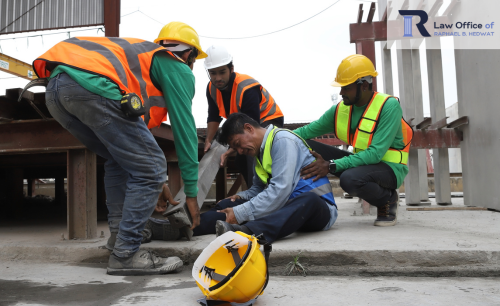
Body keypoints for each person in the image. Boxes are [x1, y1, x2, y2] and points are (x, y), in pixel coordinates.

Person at [34, 21, 207, 275]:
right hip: (91, 87)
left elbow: (134, 151)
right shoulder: (176, 66)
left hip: (57, 90)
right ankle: (126, 254)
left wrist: (157, 182)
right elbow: (185, 130)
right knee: (153, 166)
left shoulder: (142, 63)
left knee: (119, 160)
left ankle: (119, 241)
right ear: (189, 55)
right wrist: (191, 192)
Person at [294, 54, 413, 227]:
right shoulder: (341, 109)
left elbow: (375, 154)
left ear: (364, 85)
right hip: (364, 164)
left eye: (346, 87)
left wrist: (331, 165)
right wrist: (272, 137)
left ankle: (387, 199)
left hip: (389, 169)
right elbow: (305, 132)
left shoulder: (388, 106)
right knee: (304, 144)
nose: (341, 92)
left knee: (349, 180)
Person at [192, 113, 337, 244]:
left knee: (309, 200)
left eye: (237, 144)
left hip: (317, 209)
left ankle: (247, 231)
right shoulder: (259, 153)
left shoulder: (283, 140)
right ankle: (189, 226)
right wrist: (240, 197)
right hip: (283, 206)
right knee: (228, 204)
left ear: (249, 128)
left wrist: (240, 212)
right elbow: (258, 189)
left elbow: (280, 190)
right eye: (236, 149)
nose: (240, 151)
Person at [203, 45, 284, 187]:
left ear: (231, 69)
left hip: (268, 120)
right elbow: (214, 116)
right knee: (240, 161)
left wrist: (228, 152)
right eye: (213, 73)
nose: (218, 78)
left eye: (222, 72)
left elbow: (251, 129)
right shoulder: (211, 89)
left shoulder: (246, 87)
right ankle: (254, 192)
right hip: (244, 125)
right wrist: (208, 140)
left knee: (250, 154)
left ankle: (265, 194)